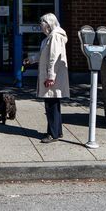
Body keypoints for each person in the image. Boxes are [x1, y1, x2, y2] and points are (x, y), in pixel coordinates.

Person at [31, 13, 69, 143]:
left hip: (53, 77)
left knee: (51, 105)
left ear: (48, 24)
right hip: (52, 76)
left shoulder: (55, 37)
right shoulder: (50, 38)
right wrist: (30, 60)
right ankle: (57, 131)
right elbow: (44, 55)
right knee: (54, 104)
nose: (40, 27)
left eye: (42, 24)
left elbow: (54, 58)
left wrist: (51, 77)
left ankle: (52, 134)